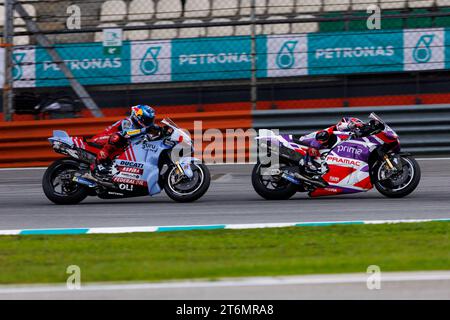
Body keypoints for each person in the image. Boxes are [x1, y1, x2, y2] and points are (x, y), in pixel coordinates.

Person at [293, 117, 384, 185]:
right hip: (308, 140)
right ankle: (308, 162)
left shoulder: (355, 134)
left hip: (324, 148)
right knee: (325, 134)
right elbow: (341, 125)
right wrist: (352, 125)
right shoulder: (338, 129)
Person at [89, 105, 162, 177]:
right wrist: (144, 130)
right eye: (146, 119)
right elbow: (126, 133)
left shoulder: (141, 128)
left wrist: (162, 131)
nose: (148, 122)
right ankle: (98, 164)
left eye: (150, 120)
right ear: (138, 116)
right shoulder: (127, 121)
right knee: (117, 137)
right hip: (101, 139)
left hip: (118, 146)